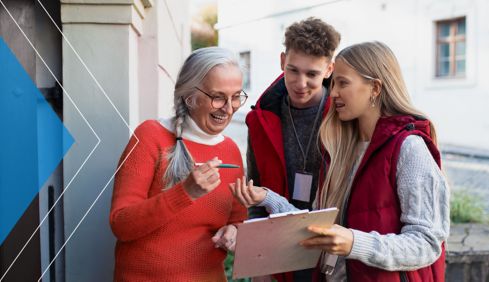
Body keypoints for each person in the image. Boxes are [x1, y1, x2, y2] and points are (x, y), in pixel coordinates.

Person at [231, 41, 450, 282]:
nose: (333, 92)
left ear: (375, 88)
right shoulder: (339, 148)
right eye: (333, 82)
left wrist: (354, 243)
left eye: (343, 83)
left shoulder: (409, 148)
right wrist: (267, 198)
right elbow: (319, 226)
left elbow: (428, 244)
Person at [109, 47, 248, 281]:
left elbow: (238, 218)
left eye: (236, 96)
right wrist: (185, 193)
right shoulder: (150, 136)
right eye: (218, 97)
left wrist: (233, 232)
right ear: (189, 96)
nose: (229, 107)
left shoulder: (231, 150)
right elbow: (121, 224)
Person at [245, 17, 341, 281]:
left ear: (329, 69)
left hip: (332, 250)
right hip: (279, 252)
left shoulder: (345, 118)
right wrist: (259, 266)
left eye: (312, 74)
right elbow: (255, 191)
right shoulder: (260, 120)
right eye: (293, 70)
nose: (301, 83)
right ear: (281, 61)